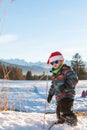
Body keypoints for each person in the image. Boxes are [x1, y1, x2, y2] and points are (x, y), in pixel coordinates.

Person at [47, 51, 78, 126]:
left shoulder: (66, 70)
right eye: (52, 63)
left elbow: (74, 79)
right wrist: (50, 94)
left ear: (61, 61)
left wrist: (65, 86)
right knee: (58, 112)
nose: (54, 64)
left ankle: (73, 122)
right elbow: (53, 86)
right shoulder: (55, 74)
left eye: (56, 61)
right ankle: (61, 123)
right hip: (59, 97)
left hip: (68, 95)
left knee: (65, 109)